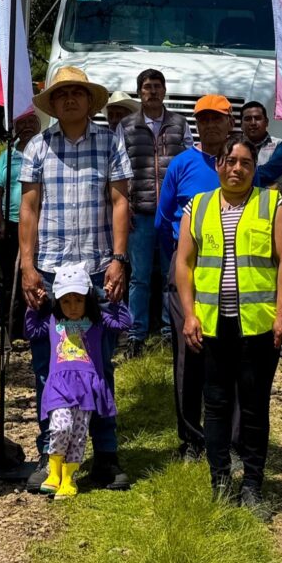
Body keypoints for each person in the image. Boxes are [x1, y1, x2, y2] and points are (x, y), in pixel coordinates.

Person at [18, 66, 134, 492]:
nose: (69, 100)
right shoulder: (37, 146)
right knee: (47, 366)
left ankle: (106, 455)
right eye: (62, 93)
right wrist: (27, 265)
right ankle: (51, 454)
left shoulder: (109, 142)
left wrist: (120, 258)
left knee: (100, 363)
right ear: (54, 102)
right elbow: (27, 209)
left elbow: (120, 202)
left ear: (89, 101)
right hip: (49, 269)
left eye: (77, 93)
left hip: (99, 267)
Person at [174, 138, 282, 510]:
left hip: (258, 327)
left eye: (245, 162)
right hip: (212, 327)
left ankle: (253, 486)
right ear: (218, 165)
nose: (236, 168)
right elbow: (184, 264)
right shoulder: (199, 206)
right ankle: (221, 482)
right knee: (217, 404)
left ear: (254, 167)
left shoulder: (272, 204)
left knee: (255, 407)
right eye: (230, 161)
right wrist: (190, 314)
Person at [154, 93, 236, 459]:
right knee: (188, 356)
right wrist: (173, 264)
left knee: (231, 353)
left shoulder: (240, 164)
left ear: (229, 122)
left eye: (217, 118)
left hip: (231, 271)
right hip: (185, 267)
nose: (210, 125)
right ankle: (191, 438)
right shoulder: (181, 164)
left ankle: (232, 441)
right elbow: (161, 220)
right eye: (203, 119)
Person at [25, 262, 130, 497]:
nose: (72, 307)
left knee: (79, 436)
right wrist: (36, 306)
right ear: (57, 302)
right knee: (60, 427)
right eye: (66, 301)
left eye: (79, 300)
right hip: (59, 388)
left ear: (88, 299)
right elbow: (31, 330)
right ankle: (54, 472)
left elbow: (124, 323)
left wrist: (115, 301)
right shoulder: (53, 322)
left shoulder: (97, 322)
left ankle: (69, 479)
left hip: (86, 390)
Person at [120, 68, 191, 356]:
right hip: (141, 213)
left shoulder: (179, 123)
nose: (152, 91)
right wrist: (126, 206)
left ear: (164, 91)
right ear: (140, 92)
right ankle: (136, 335)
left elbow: (187, 161)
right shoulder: (125, 126)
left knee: (170, 274)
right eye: (147, 86)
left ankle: (167, 331)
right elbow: (120, 169)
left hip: (172, 213)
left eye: (157, 86)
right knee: (139, 277)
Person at [0, 111, 39, 344]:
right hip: (9, 226)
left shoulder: (44, 152)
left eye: (33, 122)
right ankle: (3, 327)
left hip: (35, 227)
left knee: (31, 276)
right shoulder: (7, 156)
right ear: (15, 128)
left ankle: (25, 329)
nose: (28, 127)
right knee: (4, 278)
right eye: (23, 123)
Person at [237, 100, 282, 188]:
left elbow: (269, 172)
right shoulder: (233, 147)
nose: (253, 123)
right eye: (248, 119)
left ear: (266, 122)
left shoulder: (280, 145)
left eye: (257, 118)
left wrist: (239, 176)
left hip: (270, 201)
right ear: (241, 125)